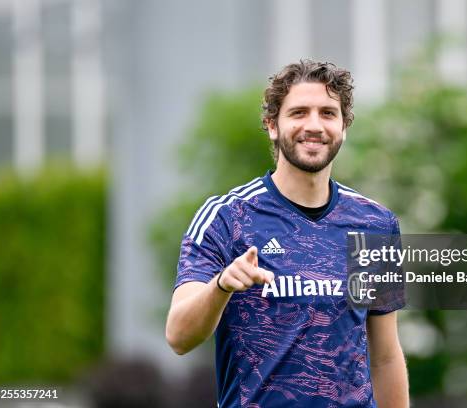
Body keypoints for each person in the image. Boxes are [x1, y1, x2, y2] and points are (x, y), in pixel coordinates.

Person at [166, 59, 409, 407]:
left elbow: (385, 356)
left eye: (328, 113)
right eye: (298, 113)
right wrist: (221, 286)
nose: (314, 125)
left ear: (344, 127)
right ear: (272, 126)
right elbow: (179, 336)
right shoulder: (226, 217)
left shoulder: (375, 224)